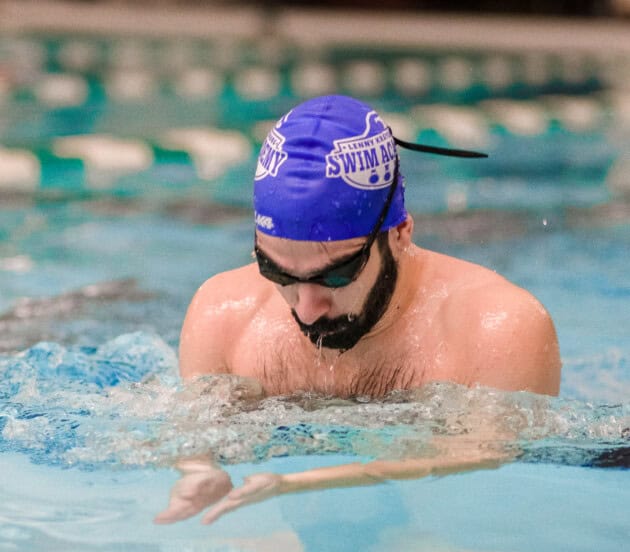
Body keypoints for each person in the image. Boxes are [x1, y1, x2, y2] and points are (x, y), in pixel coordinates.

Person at [154, 94, 561, 525]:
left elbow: (490, 462)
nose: (307, 310)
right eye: (277, 272)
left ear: (401, 233)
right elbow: (193, 433)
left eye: (336, 275)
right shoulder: (223, 314)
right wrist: (198, 469)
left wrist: (306, 481)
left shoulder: (497, 328)